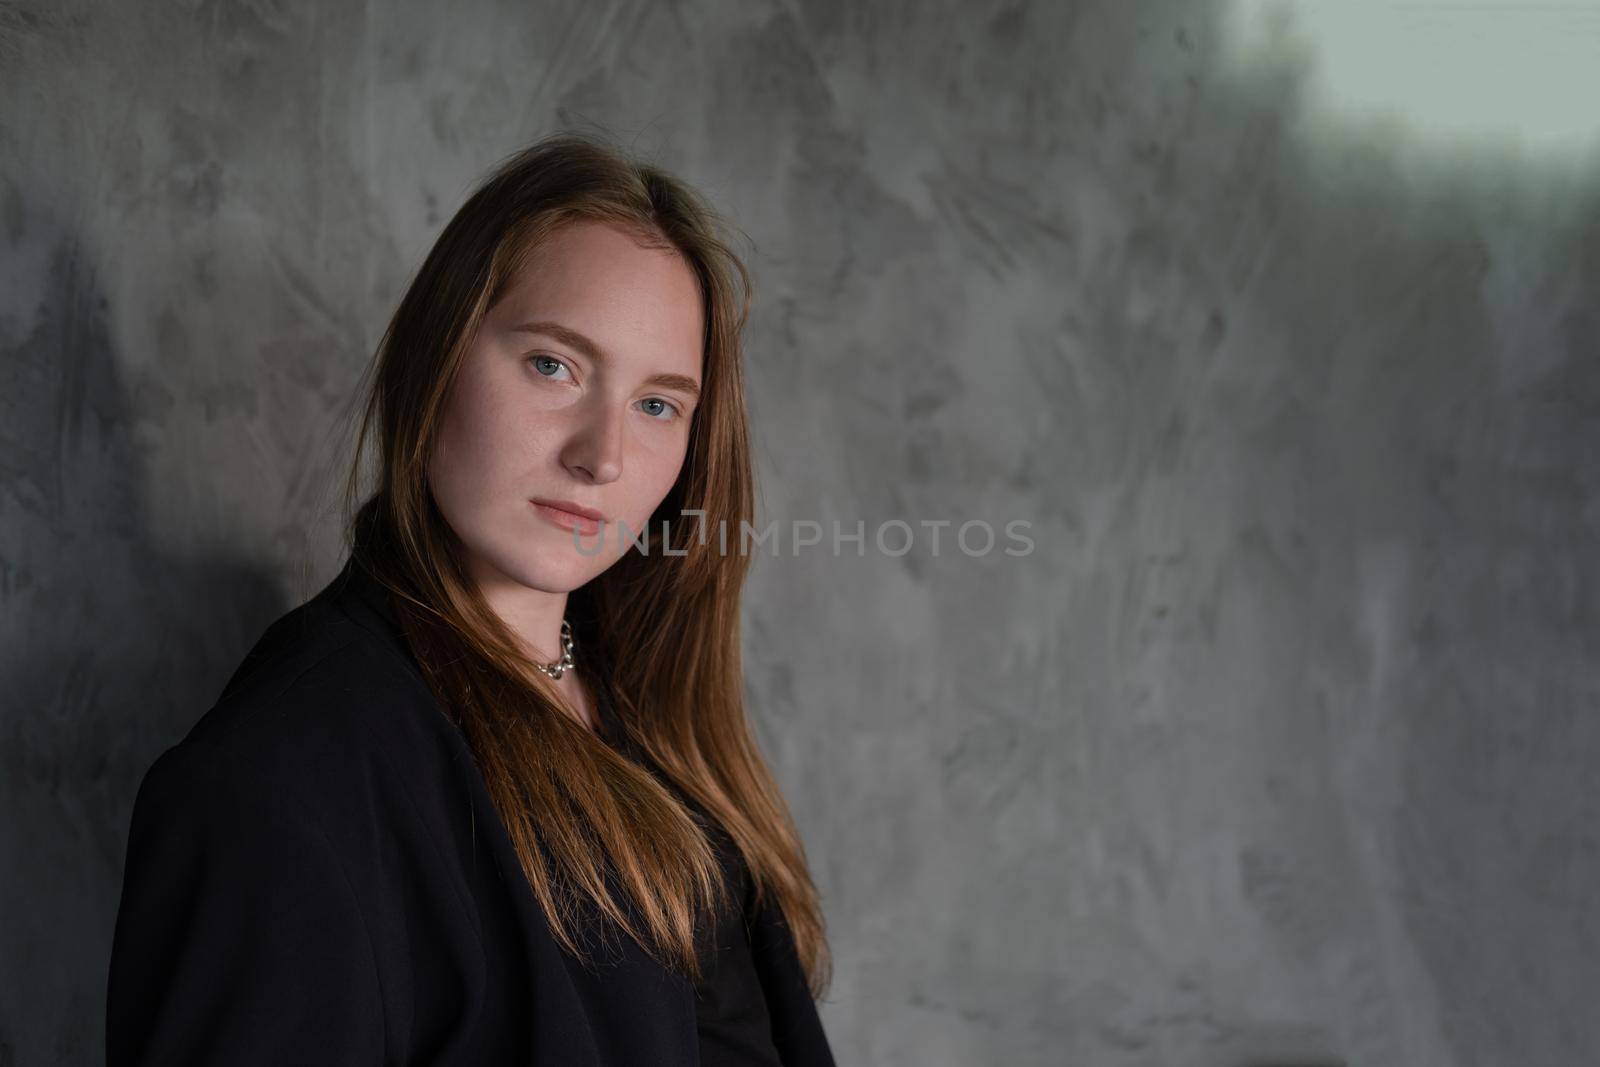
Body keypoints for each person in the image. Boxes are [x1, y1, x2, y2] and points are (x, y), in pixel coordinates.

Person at [105, 131, 837, 1066]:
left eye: (658, 404)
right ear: (436, 357)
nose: (602, 455)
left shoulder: (647, 711)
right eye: (554, 365)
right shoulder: (282, 782)